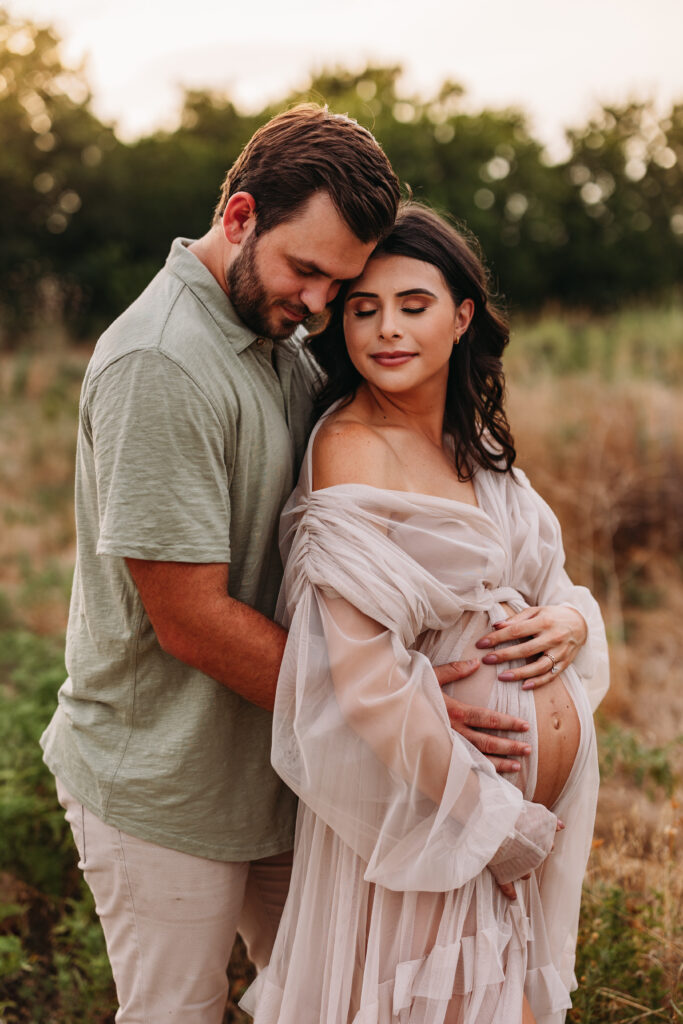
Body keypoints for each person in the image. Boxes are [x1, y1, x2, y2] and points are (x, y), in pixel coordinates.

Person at [39, 107, 542, 1023]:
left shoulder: (277, 334)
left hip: (287, 771)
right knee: (178, 1013)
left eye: (336, 283)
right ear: (239, 219)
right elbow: (188, 617)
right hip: (168, 782)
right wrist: (393, 707)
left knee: (329, 1002)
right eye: (305, 270)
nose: (318, 305)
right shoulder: (162, 363)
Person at [241, 204, 609, 1024]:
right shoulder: (350, 448)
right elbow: (362, 676)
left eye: (413, 304)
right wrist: (490, 822)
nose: (385, 331)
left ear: (461, 315)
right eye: (363, 309)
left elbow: (553, 582)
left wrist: (573, 623)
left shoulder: (472, 440)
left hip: (507, 822)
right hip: (431, 814)